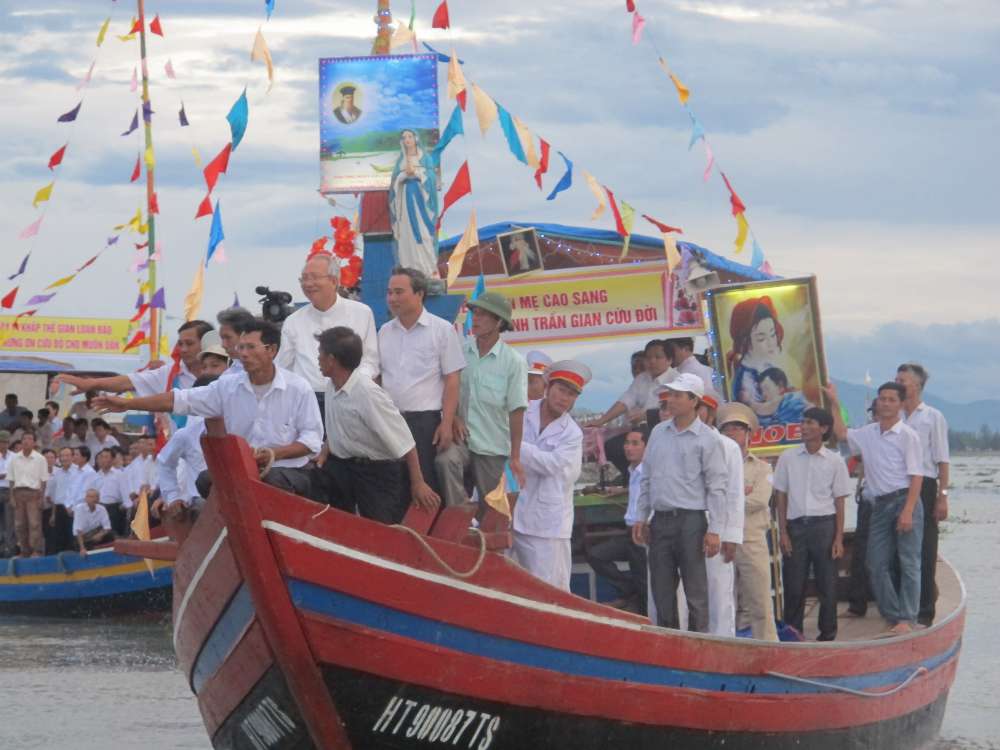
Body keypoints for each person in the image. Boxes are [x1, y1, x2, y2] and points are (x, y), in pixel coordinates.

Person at [95, 319, 324, 501]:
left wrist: (273, 454)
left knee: (269, 480)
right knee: (205, 481)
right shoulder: (227, 386)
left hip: (286, 472)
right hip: (241, 473)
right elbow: (179, 400)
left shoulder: (298, 388)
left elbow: (312, 439)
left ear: (271, 350)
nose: (243, 354)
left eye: (251, 347)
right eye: (241, 347)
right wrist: (127, 404)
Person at [632, 374, 729, 632]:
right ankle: (671, 644)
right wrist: (641, 516)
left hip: (691, 522)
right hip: (660, 519)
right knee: (662, 592)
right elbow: (647, 477)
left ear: (694, 400)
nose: (671, 400)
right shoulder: (658, 432)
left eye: (677, 395)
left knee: (695, 592)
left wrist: (715, 529)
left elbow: (717, 487)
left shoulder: (708, 438)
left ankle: (699, 645)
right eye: (670, 395)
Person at [825, 381, 923, 635]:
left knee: (909, 562)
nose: (886, 403)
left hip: (903, 500)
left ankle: (907, 618)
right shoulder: (868, 433)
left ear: (901, 404)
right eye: (882, 399)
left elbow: (917, 476)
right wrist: (834, 401)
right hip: (879, 505)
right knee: (874, 563)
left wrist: (909, 510)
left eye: (892, 399)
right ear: (876, 402)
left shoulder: (908, 436)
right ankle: (893, 614)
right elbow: (842, 433)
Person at [317, 327, 440, 523]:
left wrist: (418, 483)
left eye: (320, 353)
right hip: (344, 468)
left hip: (377, 473)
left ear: (332, 360)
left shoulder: (367, 393)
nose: (318, 359)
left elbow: (405, 442)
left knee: (380, 526)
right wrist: (323, 453)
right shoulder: (331, 387)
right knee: (336, 520)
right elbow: (338, 429)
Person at [435, 292, 528, 509]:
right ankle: (462, 515)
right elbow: (447, 389)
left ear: (499, 322)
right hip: (461, 439)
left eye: (483, 315)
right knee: (445, 461)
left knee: (492, 508)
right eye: (475, 313)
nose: (475, 319)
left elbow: (517, 411)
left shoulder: (513, 362)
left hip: (492, 445)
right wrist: (453, 417)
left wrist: (515, 456)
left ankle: (483, 527)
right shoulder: (461, 351)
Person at [379, 268, 465, 500]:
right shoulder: (384, 332)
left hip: (425, 424)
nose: (392, 298)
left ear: (419, 294)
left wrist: (447, 422)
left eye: (399, 292)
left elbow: (452, 379)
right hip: (391, 421)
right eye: (389, 292)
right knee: (394, 489)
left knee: (426, 490)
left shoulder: (442, 330)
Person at [773, 407, 852, 640]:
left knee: (827, 582)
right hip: (796, 526)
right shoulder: (788, 457)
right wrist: (783, 532)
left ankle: (827, 633)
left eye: (810, 423)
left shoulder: (835, 461)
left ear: (824, 429)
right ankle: (793, 632)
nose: (804, 427)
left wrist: (838, 538)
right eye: (803, 422)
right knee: (794, 583)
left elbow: (839, 501)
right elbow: (780, 496)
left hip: (824, 526)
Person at [511, 361, 589, 591]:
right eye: (561, 390)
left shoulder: (572, 433)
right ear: (548, 387)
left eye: (571, 395)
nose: (564, 398)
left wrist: (515, 446)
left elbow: (552, 465)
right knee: (509, 586)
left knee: (550, 589)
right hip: (510, 512)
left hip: (547, 523)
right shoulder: (521, 410)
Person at [277, 252, 380, 412]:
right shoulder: (293, 321)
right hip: (307, 401)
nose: (308, 284)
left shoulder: (361, 313)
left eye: (314, 277)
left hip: (351, 397)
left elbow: (370, 360)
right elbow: (283, 366)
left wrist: (352, 385)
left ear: (333, 281)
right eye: (304, 278)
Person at [718, 402, 779, 642]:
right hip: (720, 538)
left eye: (737, 428)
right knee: (723, 601)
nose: (731, 433)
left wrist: (728, 498)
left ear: (748, 434)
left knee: (759, 601)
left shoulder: (763, 468)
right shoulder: (714, 467)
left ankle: (769, 647)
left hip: (751, 539)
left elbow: (760, 500)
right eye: (726, 428)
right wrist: (739, 495)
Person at [896, 362, 950, 626]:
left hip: (926, 485)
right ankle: (901, 608)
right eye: (896, 380)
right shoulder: (894, 416)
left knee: (925, 547)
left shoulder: (932, 417)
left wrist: (943, 496)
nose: (898, 384)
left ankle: (925, 610)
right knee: (899, 548)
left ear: (917, 385)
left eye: (902, 381)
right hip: (897, 485)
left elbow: (942, 460)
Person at [56, 320, 214, 397]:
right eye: (180, 344)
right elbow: (127, 382)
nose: (183, 350)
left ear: (207, 343)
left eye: (189, 344)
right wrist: (92, 383)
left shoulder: (224, 374)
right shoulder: (169, 374)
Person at [585, 426, 649, 614]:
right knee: (596, 555)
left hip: (643, 534)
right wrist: (623, 490)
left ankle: (640, 609)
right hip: (629, 533)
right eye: (627, 443)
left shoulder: (650, 471)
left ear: (647, 447)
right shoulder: (633, 471)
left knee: (644, 579)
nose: (628, 448)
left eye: (635, 444)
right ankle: (629, 592)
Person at [591, 339, 675, 479]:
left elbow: (674, 410)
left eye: (657, 357)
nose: (652, 361)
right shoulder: (642, 378)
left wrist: (647, 415)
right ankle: (631, 478)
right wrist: (601, 421)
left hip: (666, 431)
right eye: (649, 358)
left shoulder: (677, 380)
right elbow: (625, 401)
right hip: (642, 430)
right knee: (612, 447)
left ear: (669, 360)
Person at [697, 394, 744, 638]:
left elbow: (735, 494)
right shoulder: (676, 441)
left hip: (719, 525)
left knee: (719, 588)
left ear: (710, 413)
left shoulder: (728, 446)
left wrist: (731, 535)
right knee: (684, 590)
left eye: (700, 408)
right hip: (686, 523)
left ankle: (724, 640)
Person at [388, 129, 440, 278]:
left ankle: (427, 269)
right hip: (404, 201)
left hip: (421, 201)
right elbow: (394, 184)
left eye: (410, 136)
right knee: (406, 233)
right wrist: (404, 175)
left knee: (424, 234)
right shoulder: (401, 161)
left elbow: (431, 178)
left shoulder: (425, 158)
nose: (407, 139)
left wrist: (416, 173)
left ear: (416, 138)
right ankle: (409, 269)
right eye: (404, 137)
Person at [726, 297, 787, 412]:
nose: (771, 343)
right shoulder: (746, 379)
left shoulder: (766, 365)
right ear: (745, 341)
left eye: (772, 334)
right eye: (761, 338)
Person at [7, 430, 49, 557]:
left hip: (34, 494)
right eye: (24, 438)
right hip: (18, 493)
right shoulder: (14, 458)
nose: (26, 441)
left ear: (34, 442)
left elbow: (44, 480)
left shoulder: (40, 459)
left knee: (34, 524)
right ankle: (24, 551)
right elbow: (11, 479)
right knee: (19, 525)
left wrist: (41, 498)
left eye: (30, 439)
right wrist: (11, 497)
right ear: (21, 441)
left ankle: (36, 550)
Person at [44, 446, 78, 553]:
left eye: (67, 455)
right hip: (59, 509)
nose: (64, 458)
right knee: (59, 539)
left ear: (72, 457)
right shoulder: (57, 473)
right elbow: (55, 495)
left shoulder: (78, 471)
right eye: (62, 456)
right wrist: (53, 514)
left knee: (72, 538)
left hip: (73, 509)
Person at [216, 306, 256, 378]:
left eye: (228, 337)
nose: (223, 345)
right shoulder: (228, 375)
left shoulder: (272, 366)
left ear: (245, 336)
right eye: (222, 338)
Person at [73, 489, 114, 554]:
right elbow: (78, 530)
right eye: (90, 497)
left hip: (96, 533)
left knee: (111, 535)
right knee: (85, 545)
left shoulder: (102, 509)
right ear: (86, 498)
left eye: (96, 497)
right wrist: (82, 548)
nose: (93, 499)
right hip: (83, 537)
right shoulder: (79, 508)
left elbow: (107, 527)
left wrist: (100, 534)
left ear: (99, 499)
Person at [0, 431, 12, 556]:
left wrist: (5, 475)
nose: (3, 444)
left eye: (5, 442)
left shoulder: (14, 456)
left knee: (9, 521)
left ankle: (9, 548)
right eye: (1, 442)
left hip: (9, 491)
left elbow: (16, 473)